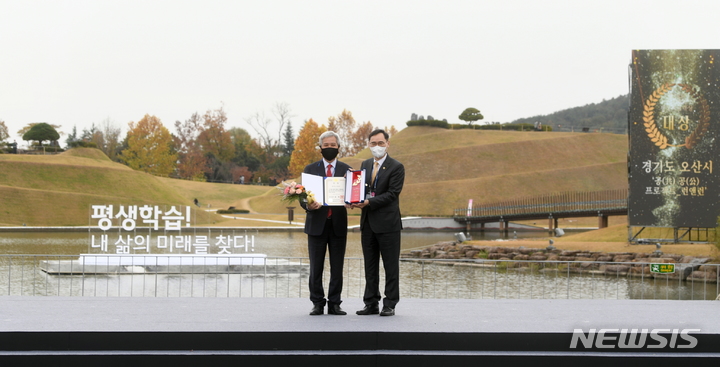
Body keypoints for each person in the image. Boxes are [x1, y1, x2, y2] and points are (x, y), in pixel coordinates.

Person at [349, 129, 405, 317]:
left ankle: (390, 304)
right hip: (368, 224)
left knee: (390, 266)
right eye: (373, 143)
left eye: (381, 143)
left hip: (388, 225)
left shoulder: (396, 167)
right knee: (370, 266)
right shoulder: (364, 165)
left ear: (388, 144)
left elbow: (392, 194)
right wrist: (352, 198)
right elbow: (359, 189)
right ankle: (371, 302)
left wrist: (368, 203)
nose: (377, 147)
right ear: (368, 145)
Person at [300, 131, 351, 316]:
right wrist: (308, 205)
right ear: (320, 148)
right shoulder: (310, 169)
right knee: (316, 267)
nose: (329, 148)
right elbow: (301, 197)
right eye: (326, 145)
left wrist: (352, 200)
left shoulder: (348, 170)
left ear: (338, 147)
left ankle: (335, 303)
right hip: (316, 225)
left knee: (337, 267)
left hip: (338, 225)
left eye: (333, 145)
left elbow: (354, 194)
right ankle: (317, 303)